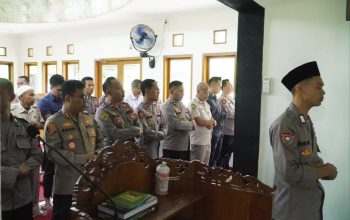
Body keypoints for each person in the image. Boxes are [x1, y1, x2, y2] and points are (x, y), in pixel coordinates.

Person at [269, 61, 338, 220]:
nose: (323, 92)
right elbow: (289, 172)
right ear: (301, 89)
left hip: (307, 206)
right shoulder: (285, 125)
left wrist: (322, 166)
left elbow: (308, 157)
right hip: (291, 211)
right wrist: (324, 171)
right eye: (318, 87)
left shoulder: (304, 121)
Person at [44, 80, 103, 220]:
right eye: (81, 97)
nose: (85, 100)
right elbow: (53, 153)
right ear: (68, 98)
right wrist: (84, 158)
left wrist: (96, 154)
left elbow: (101, 141)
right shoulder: (54, 122)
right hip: (67, 186)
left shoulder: (89, 118)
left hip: (91, 181)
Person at [0, 78, 42, 220]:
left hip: (23, 199)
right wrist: (15, 173)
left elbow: (37, 155)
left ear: (11, 97)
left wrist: (27, 166)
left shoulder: (24, 127)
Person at [10, 85, 45, 216]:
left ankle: (34, 208)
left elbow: (42, 124)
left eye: (33, 94)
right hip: (18, 150)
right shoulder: (12, 110)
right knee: (21, 181)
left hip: (34, 149)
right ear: (21, 97)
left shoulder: (35, 109)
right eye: (30, 94)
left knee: (35, 180)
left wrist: (38, 125)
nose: (33, 97)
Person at [37, 74, 65, 211]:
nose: (61, 93)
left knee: (63, 170)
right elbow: (51, 123)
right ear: (51, 87)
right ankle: (47, 199)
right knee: (49, 172)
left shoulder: (64, 99)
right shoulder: (44, 102)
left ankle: (59, 196)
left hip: (65, 142)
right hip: (51, 143)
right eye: (58, 90)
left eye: (62, 90)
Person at [95, 77, 141, 146]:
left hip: (130, 148)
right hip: (113, 152)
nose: (123, 91)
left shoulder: (126, 107)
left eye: (122, 88)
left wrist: (137, 129)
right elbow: (113, 134)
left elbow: (137, 123)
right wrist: (135, 130)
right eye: (119, 89)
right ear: (109, 92)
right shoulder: (103, 111)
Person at [161, 81, 196, 160]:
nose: (183, 93)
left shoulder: (181, 104)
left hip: (185, 146)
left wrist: (191, 123)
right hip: (173, 147)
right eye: (180, 91)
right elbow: (176, 124)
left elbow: (191, 117)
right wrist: (191, 125)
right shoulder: (167, 106)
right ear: (171, 92)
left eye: (183, 91)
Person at [137, 79, 166, 159]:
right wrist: (162, 134)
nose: (159, 92)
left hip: (159, 152)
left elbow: (164, 124)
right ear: (147, 91)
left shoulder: (156, 108)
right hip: (147, 153)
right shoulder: (140, 110)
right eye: (156, 89)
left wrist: (164, 132)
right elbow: (146, 132)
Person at [188, 82, 216, 165]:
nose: (207, 95)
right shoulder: (193, 104)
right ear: (198, 91)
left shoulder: (206, 104)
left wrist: (211, 122)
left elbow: (211, 119)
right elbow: (199, 121)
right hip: (198, 142)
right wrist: (211, 122)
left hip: (207, 140)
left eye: (207, 92)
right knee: (196, 168)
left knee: (204, 167)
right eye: (204, 92)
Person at [206, 77, 226, 167]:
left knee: (216, 157)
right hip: (213, 132)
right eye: (219, 85)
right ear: (212, 85)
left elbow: (219, 113)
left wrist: (223, 115)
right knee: (211, 156)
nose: (220, 88)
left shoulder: (215, 98)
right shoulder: (207, 99)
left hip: (219, 131)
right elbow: (210, 117)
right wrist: (223, 115)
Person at [218, 79, 235, 169]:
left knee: (229, 153)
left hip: (233, 131)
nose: (232, 87)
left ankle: (226, 169)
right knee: (223, 153)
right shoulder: (222, 99)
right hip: (226, 131)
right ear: (224, 87)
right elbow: (230, 113)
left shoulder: (230, 99)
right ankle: (221, 171)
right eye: (230, 85)